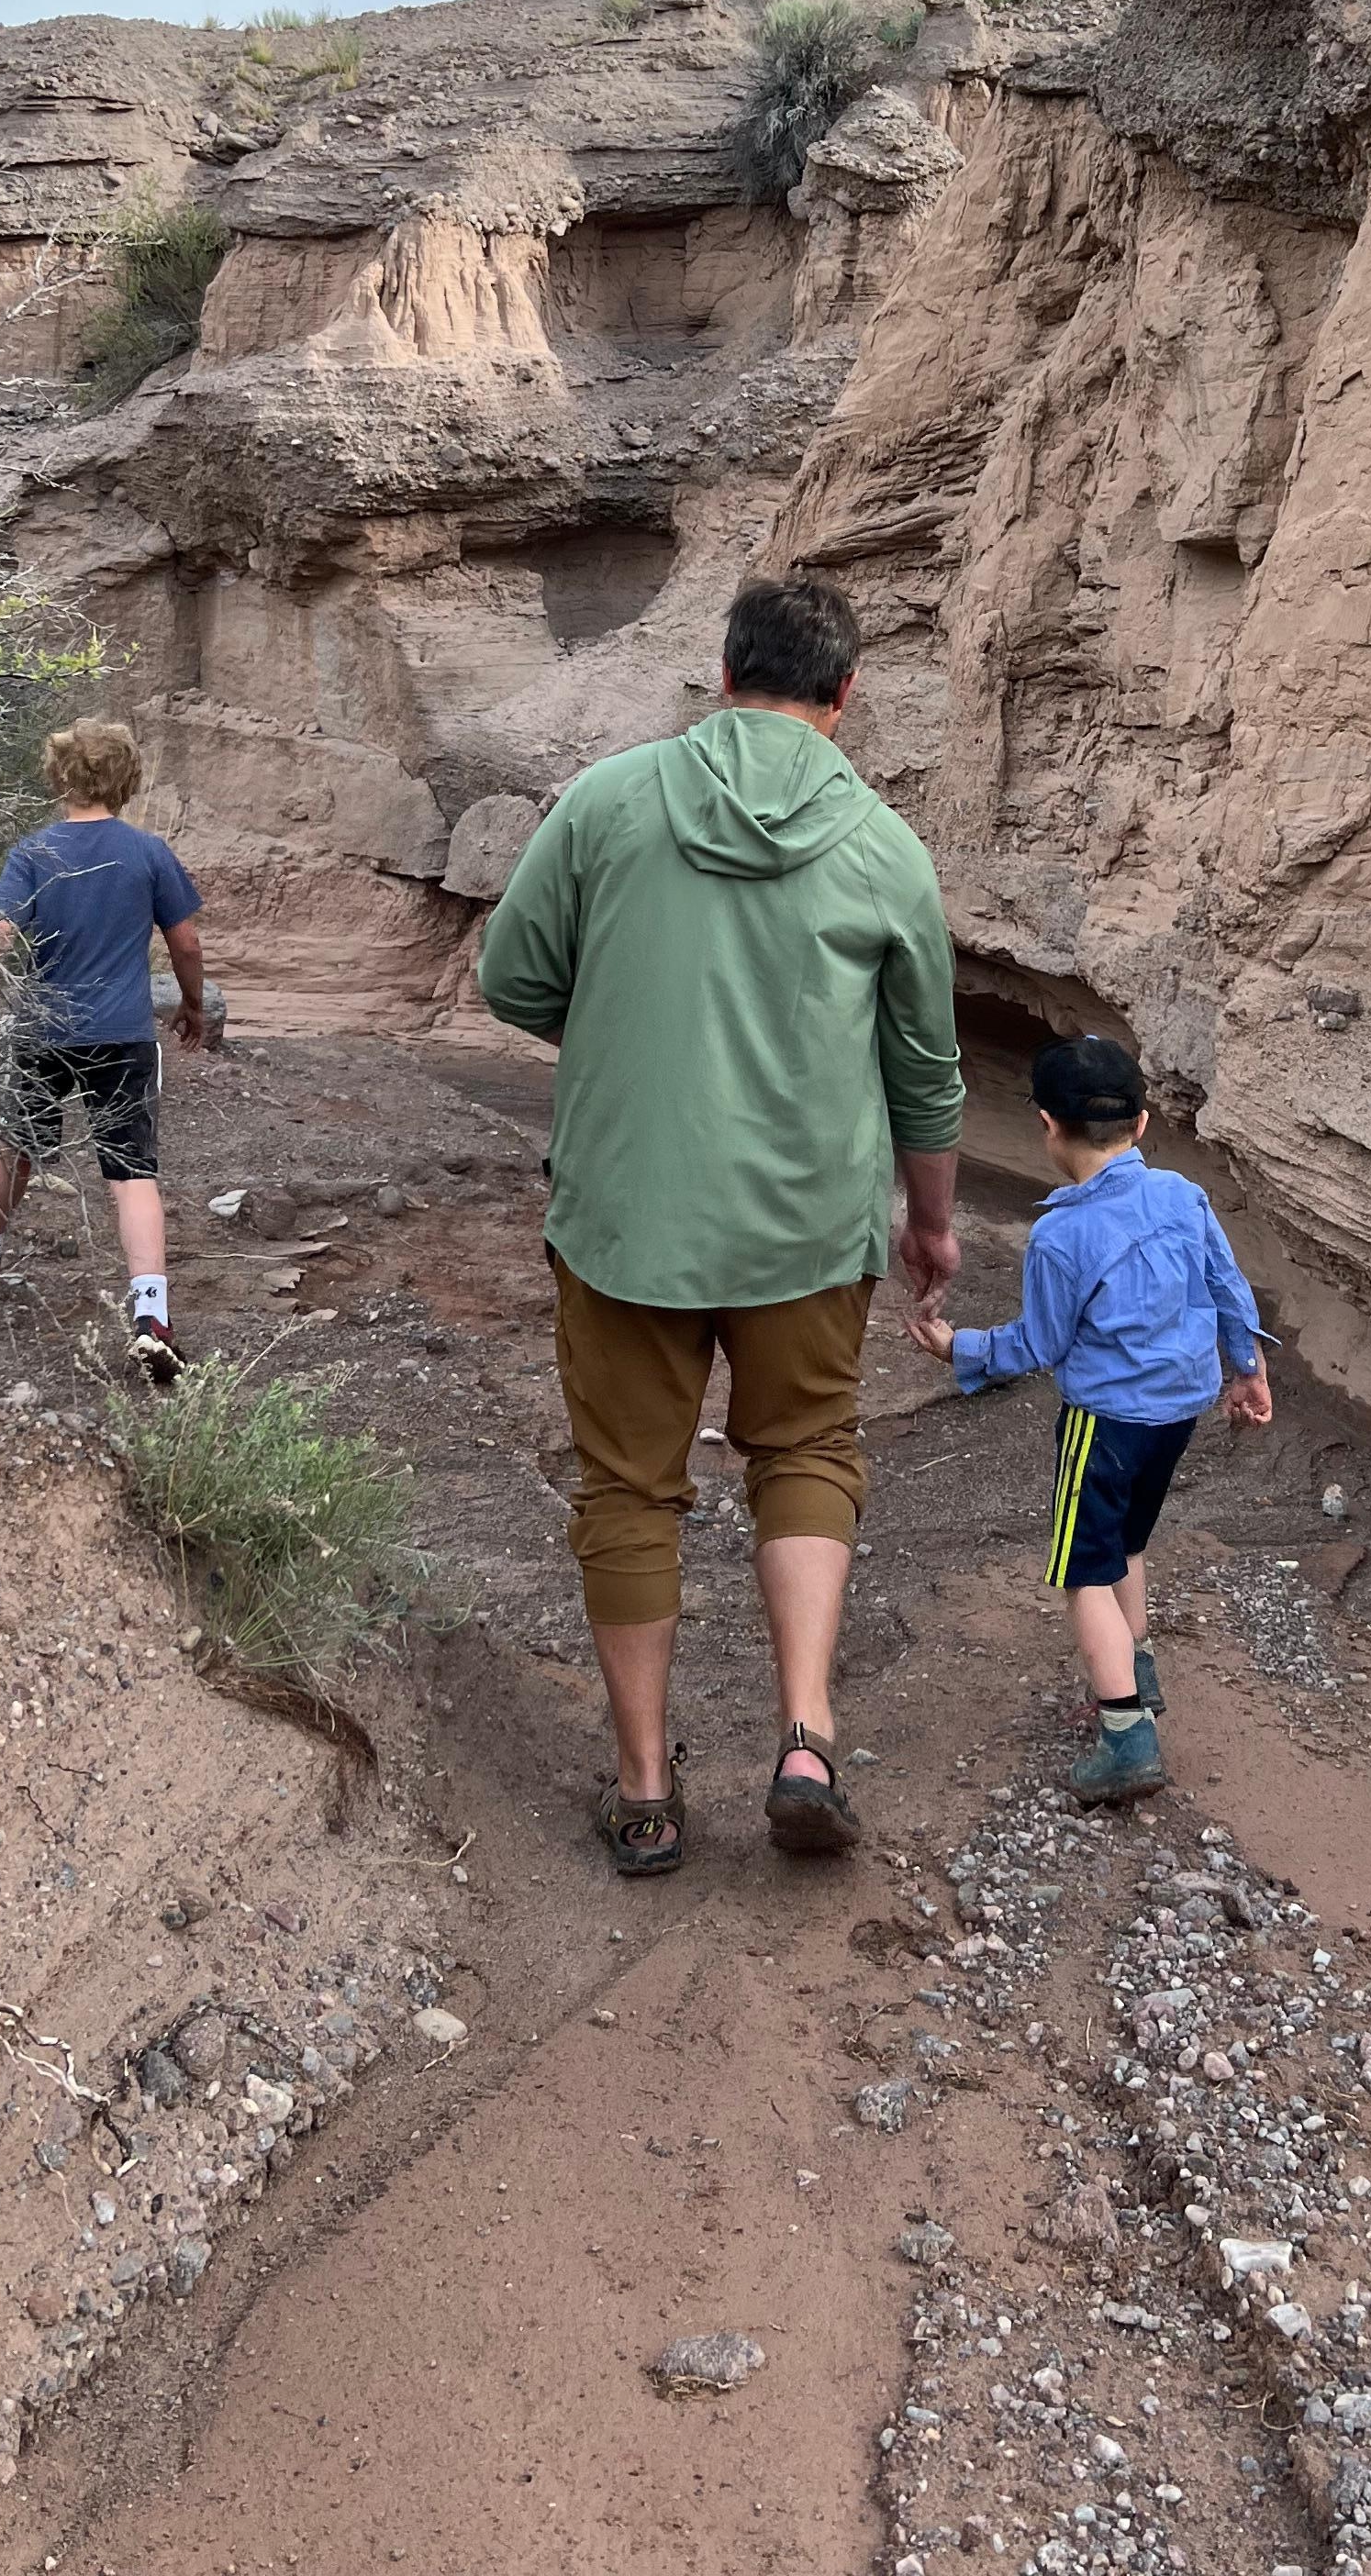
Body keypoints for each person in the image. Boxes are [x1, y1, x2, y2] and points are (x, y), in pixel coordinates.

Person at [477, 570, 964, 1878]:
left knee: (629, 1489)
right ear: (844, 696)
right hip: (809, 1224)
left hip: (625, 1216)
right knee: (804, 1446)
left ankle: (645, 1791)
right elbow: (926, 1074)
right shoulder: (886, 850)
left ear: (726, 671)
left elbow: (511, 977)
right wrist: (930, 1225)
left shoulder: (606, 802)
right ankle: (805, 1739)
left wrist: (623, 1028)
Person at [916, 1035, 1271, 1805]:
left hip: (1105, 1421)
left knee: (1083, 1571)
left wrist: (960, 1348)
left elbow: (1040, 1344)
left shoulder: (1060, 1235)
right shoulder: (1182, 1195)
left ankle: (1126, 1738)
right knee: (1126, 1545)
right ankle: (1135, 1675)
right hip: (1178, 1411)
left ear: (1047, 1124)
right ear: (1142, 1123)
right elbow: (1227, 1285)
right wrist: (1247, 1368)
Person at [0, 717, 207, 1386]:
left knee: (14, 1143)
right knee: (133, 1173)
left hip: (44, 1030)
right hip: (122, 1034)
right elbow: (185, 942)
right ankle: (151, 1317)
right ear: (127, 779)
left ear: (58, 776)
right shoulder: (148, 852)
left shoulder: (34, 852)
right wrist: (193, 1004)